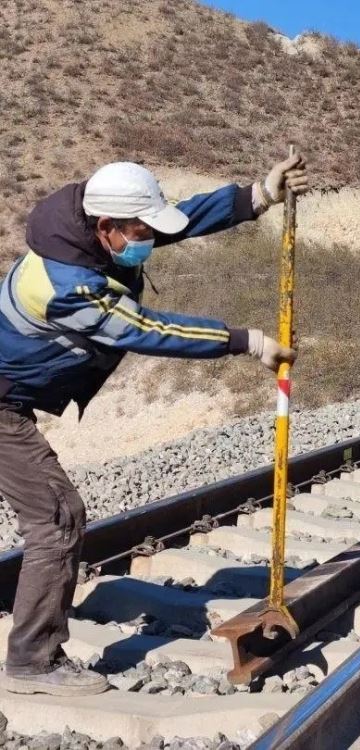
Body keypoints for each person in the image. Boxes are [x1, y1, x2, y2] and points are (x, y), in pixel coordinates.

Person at [0, 156, 308, 696]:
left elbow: (176, 220)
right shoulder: (67, 282)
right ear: (107, 229)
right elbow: (146, 328)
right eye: (139, 232)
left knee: (55, 516)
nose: (147, 241)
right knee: (58, 519)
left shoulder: (90, 233)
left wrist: (257, 195)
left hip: (12, 394)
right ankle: (33, 663)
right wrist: (243, 341)